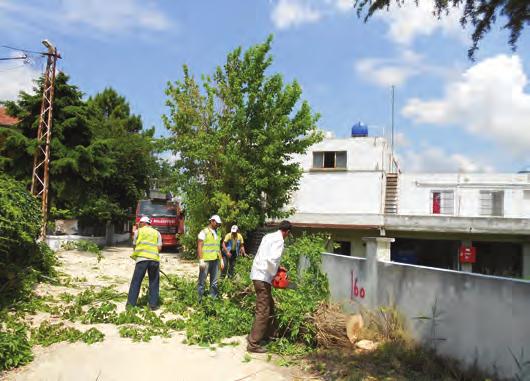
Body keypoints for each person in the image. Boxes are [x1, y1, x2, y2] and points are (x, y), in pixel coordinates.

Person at [247, 220, 292, 353]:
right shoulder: (279, 241)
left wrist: (278, 268)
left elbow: (265, 255)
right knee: (263, 310)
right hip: (263, 276)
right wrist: (275, 274)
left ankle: (269, 335)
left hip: (257, 273)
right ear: (287, 232)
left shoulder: (268, 236)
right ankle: (253, 344)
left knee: (269, 305)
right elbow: (272, 260)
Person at [127, 216, 162, 310]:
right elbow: (159, 248)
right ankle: (153, 305)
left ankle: (130, 305)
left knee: (136, 282)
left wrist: (139, 252)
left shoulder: (138, 231)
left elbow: (134, 244)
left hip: (142, 260)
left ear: (143, 223)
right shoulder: (157, 233)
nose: (139, 225)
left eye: (139, 224)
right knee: (154, 282)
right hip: (154, 260)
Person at [197, 215, 224, 301]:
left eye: (219, 224)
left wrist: (221, 259)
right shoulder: (203, 232)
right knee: (202, 281)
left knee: (214, 282)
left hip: (215, 260)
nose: (218, 225)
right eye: (217, 223)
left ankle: (213, 300)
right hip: (206, 260)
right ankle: (199, 300)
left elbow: (218, 247)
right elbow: (199, 246)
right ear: (212, 221)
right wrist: (201, 260)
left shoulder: (218, 233)